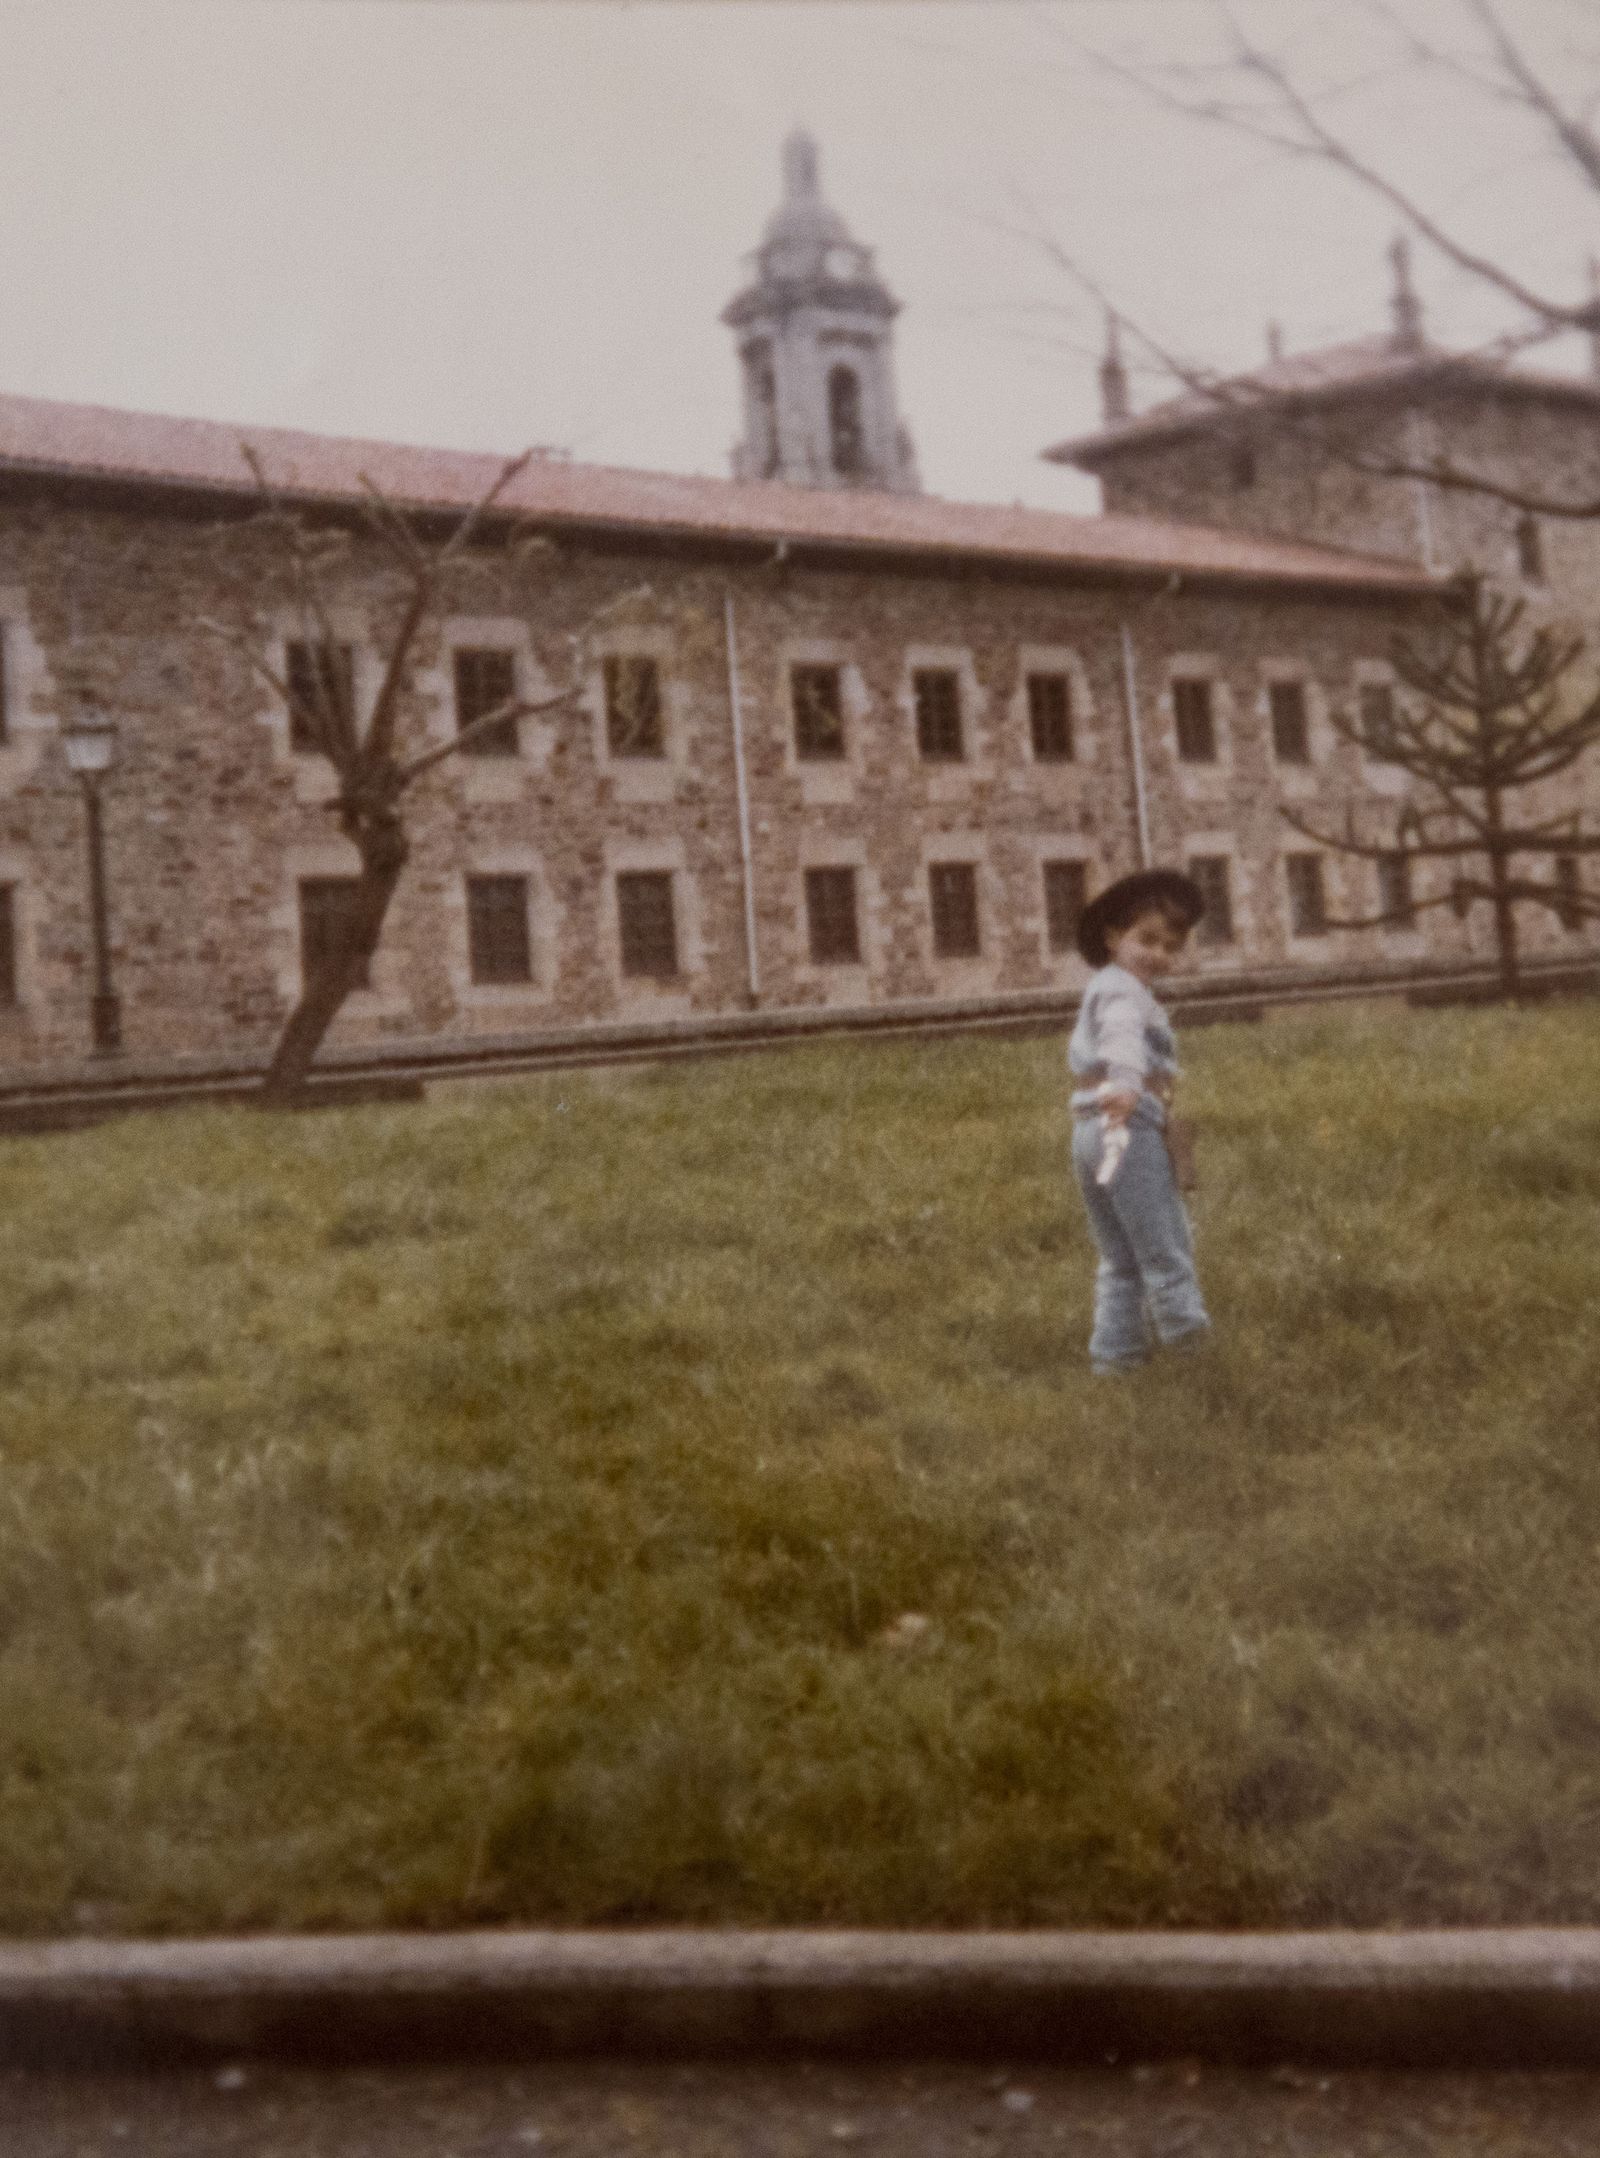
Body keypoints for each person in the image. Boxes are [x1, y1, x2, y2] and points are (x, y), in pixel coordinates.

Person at [1067, 868, 1211, 1376]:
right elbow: (1123, 1038)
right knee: (1166, 1247)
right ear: (1112, 937)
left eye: (1170, 946)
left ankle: (1115, 1358)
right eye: (1146, 939)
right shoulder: (1124, 993)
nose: (1158, 954)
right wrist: (1127, 1085)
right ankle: (1192, 1352)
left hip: (1090, 1130)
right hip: (1126, 1128)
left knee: (1121, 1257)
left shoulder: (1107, 986)